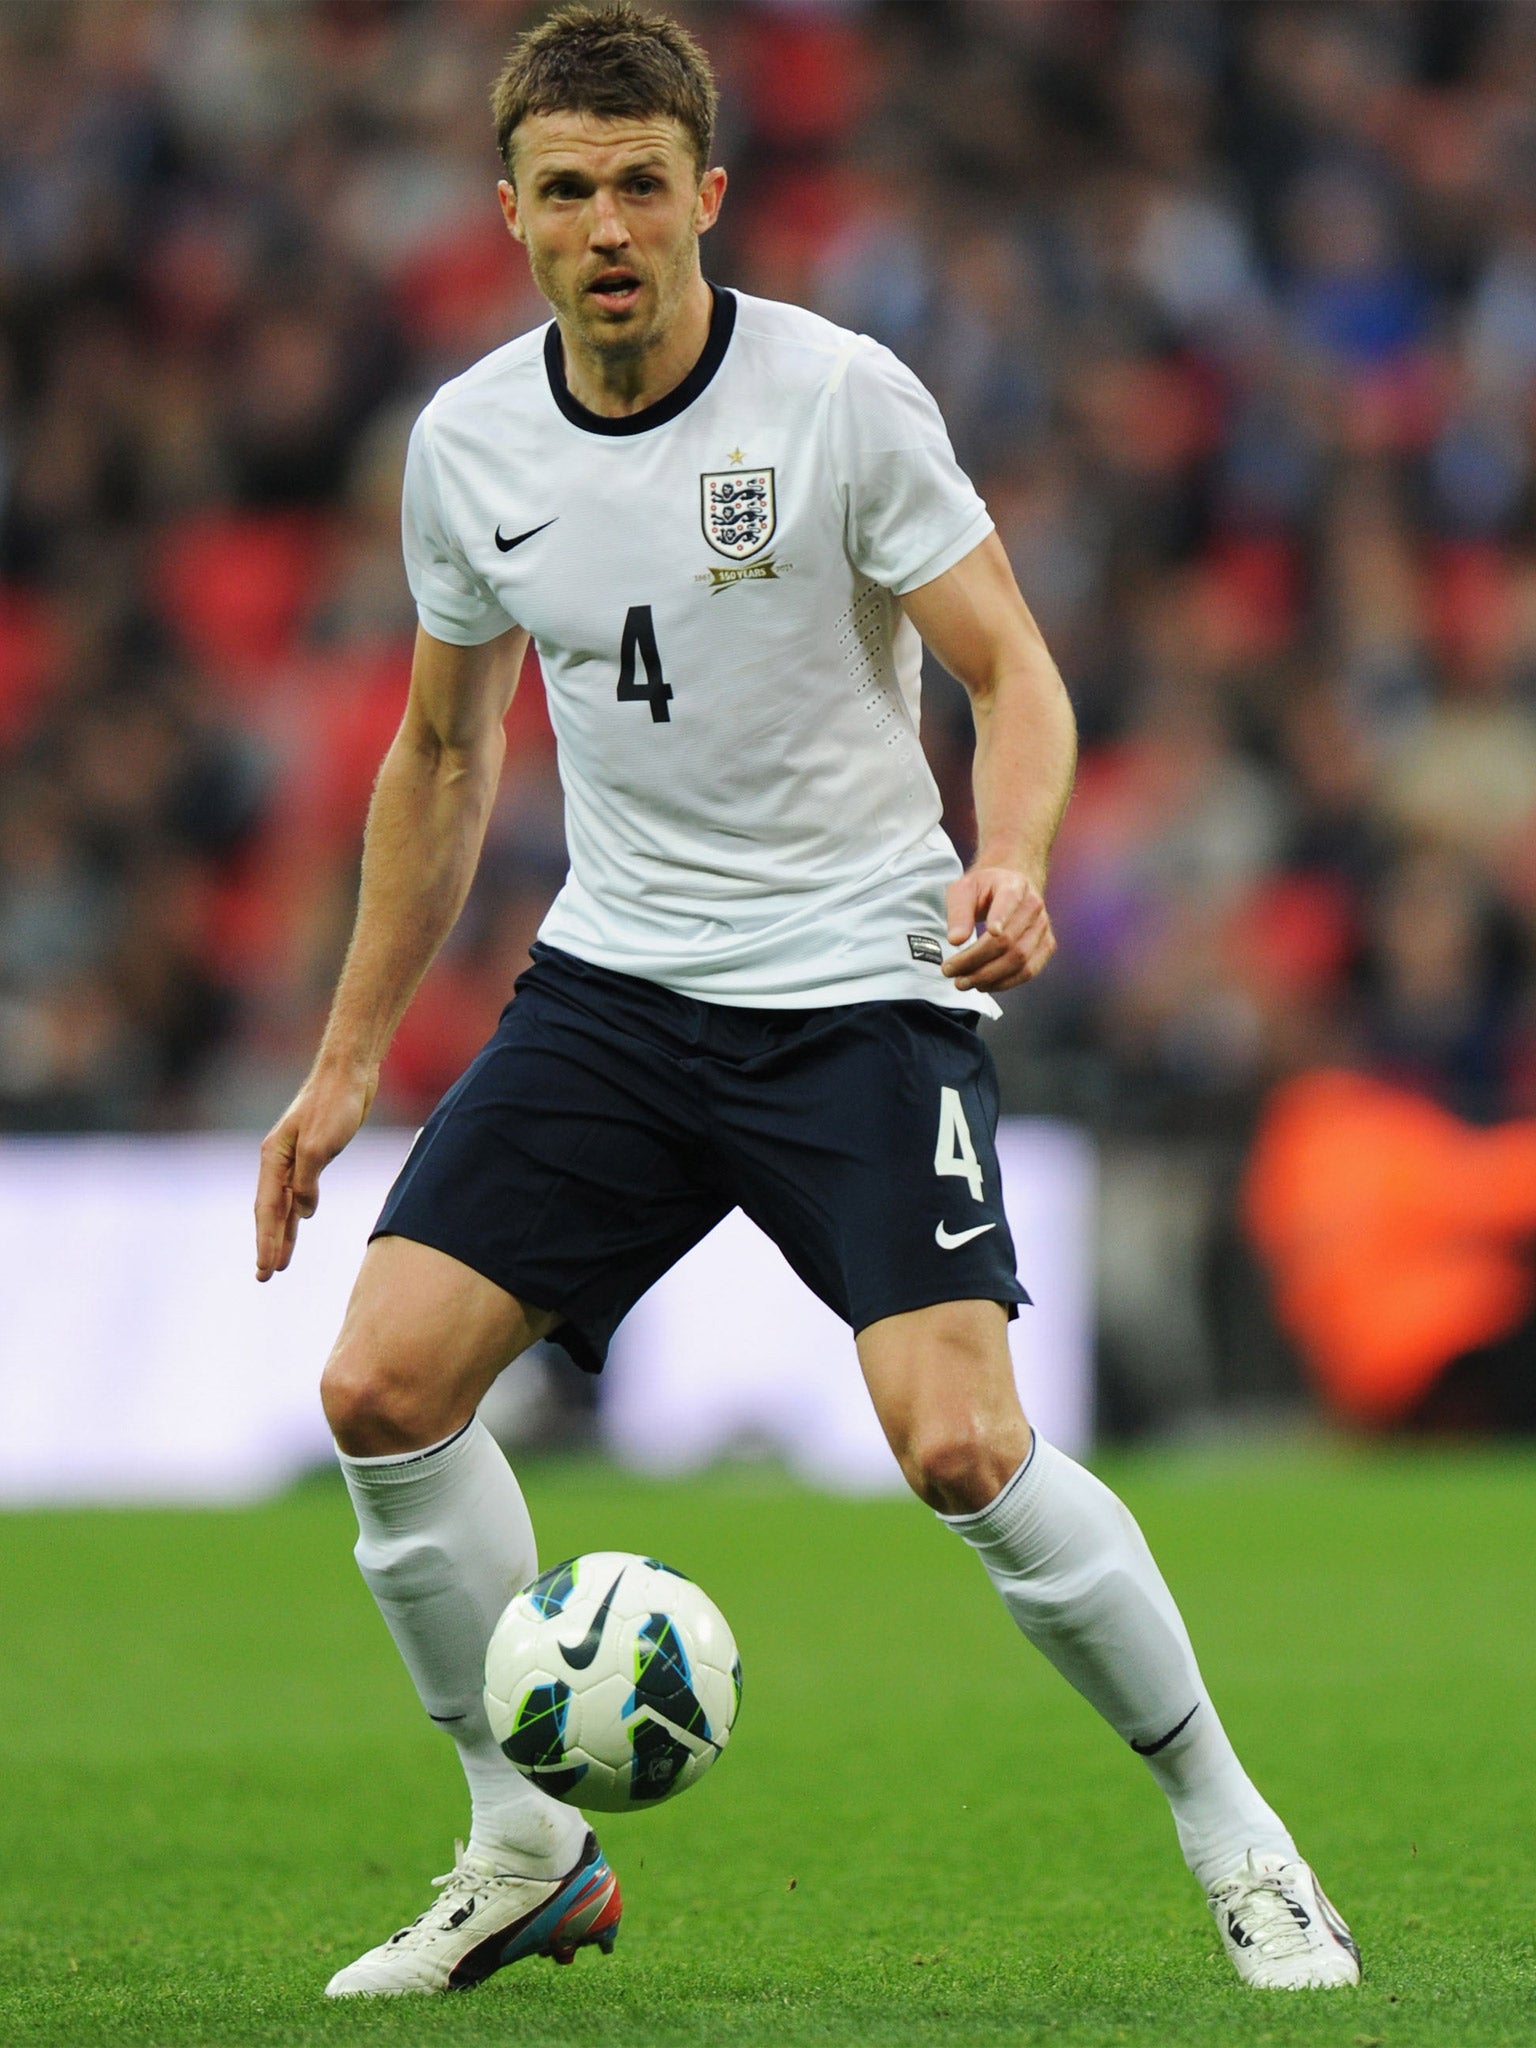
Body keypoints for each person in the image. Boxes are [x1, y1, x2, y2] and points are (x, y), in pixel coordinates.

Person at [253, 1, 1359, 2001]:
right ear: (507, 210)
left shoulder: (839, 398)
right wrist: (340, 1067)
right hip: (613, 979)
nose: (610, 226)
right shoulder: (470, 448)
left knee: (959, 1446)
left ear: (709, 198)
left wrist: (1008, 856)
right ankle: (523, 1838)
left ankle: (1236, 1826)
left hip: (858, 982)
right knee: (378, 1392)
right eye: (569, 189)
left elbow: (1015, 672)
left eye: (644, 187)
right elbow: (438, 756)